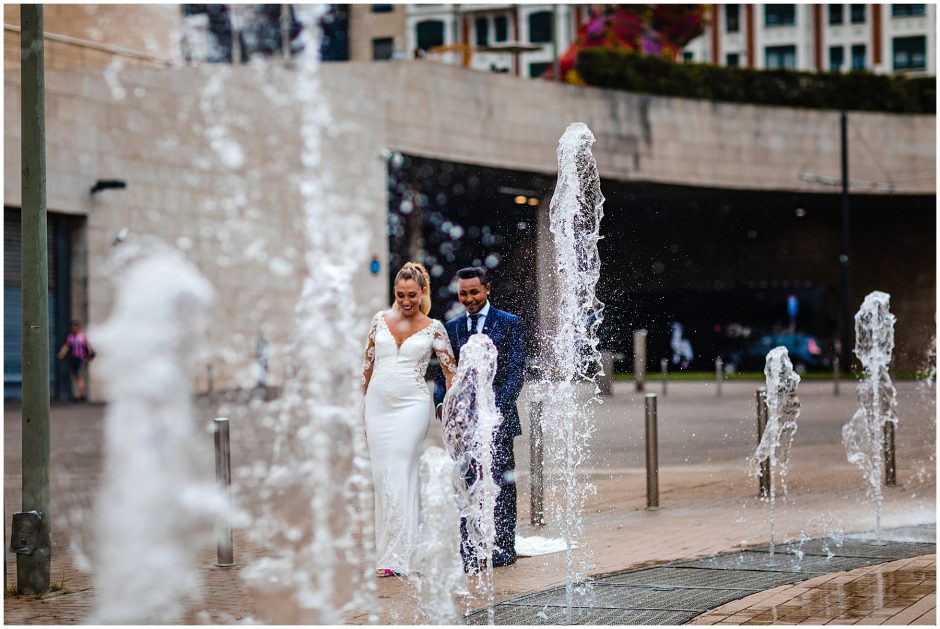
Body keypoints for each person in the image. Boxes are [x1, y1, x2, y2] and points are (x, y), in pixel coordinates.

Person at [361, 262, 456, 577]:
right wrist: (359, 406)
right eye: (400, 295)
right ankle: (392, 548)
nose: (405, 301)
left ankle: (398, 556)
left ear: (422, 292)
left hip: (412, 406)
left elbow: (449, 370)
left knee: (400, 470)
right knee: (382, 476)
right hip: (377, 407)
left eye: (411, 295)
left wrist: (452, 405)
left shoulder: (434, 327)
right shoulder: (379, 321)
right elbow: (366, 366)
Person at [434, 267, 525, 567]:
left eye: (474, 292)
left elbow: (515, 373)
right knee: (466, 483)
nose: (469, 299)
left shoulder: (510, 323)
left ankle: (503, 546)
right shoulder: (452, 327)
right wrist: (443, 405)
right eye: (463, 294)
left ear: (487, 289)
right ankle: (469, 547)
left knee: (501, 482)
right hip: (463, 425)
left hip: (498, 418)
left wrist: (494, 411)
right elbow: (443, 374)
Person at [57, 319, 94, 402]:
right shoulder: (71, 337)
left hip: (81, 359)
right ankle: (81, 394)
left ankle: (79, 395)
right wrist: (61, 354)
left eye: (75, 327)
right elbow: (66, 346)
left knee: (79, 376)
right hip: (74, 359)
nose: (74, 329)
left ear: (78, 327)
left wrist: (89, 356)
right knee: (77, 377)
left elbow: (88, 347)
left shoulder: (82, 336)